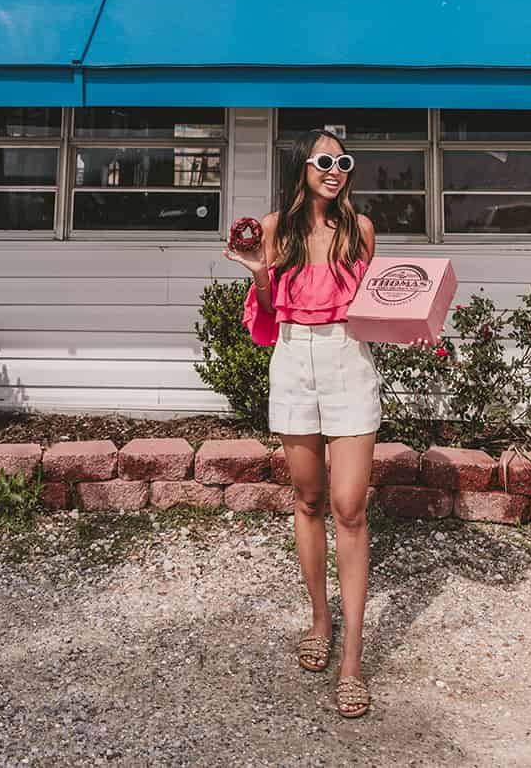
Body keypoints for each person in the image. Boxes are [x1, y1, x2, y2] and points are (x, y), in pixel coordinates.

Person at [224, 128, 380, 720]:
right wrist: (255, 271)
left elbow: (375, 307)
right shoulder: (273, 230)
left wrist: (415, 312)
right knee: (309, 499)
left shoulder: (359, 231)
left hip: (346, 361)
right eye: (324, 160)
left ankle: (353, 659)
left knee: (350, 505)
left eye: (344, 161)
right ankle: (320, 619)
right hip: (292, 360)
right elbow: (265, 311)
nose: (335, 170)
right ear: (302, 166)